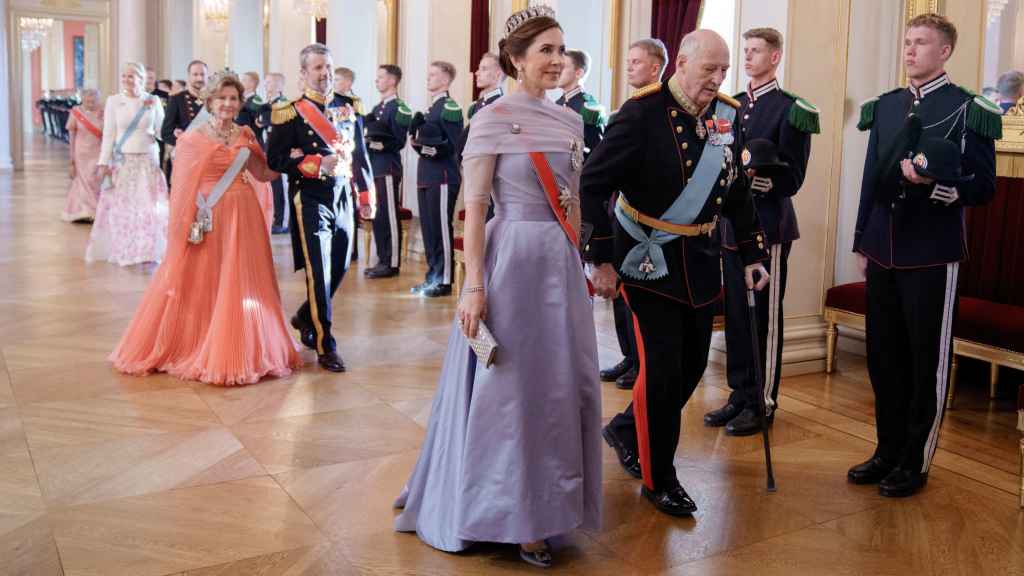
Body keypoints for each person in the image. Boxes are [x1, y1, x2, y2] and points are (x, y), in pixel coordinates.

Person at [395, 7, 601, 567]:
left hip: (559, 264)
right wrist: (472, 287)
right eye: (546, 52)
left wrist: (582, 259)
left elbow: (574, 199)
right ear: (516, 59)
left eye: (562, 50)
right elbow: (476, 206)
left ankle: (554, 506)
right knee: (512, 391)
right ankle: (512, 516)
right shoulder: (490, 118)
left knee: (559, 389)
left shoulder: (572, 121)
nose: (558, 61)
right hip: (510, 264)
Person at [582, 29, 770, 517]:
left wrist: (752, 253)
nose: (718, 78)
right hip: (649, 262)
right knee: (663, 373)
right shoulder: (640, 114)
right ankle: (658, 477)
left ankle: (626, 429)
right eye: (709, 68)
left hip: (702, 262)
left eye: (724, 70)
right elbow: (593, 182)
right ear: (681, 62)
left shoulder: (727, 116)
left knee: (688, 371)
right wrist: (600, 256)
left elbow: (737, 191)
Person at [848, 13, 999, 498]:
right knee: (883, 357)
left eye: (921, 43)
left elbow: (984, 186)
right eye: (908, 42)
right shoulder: (887, 106)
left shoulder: (968, 108)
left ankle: (915, 459)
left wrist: (944, 187)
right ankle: (886, 450)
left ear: (945, 51)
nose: (909, 51)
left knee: (923, 361)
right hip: (883, 246)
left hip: (932, 251)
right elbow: (871, 178)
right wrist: (861, 241)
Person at [110, 71, 299, 386]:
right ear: (210, 101)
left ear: (240, 103)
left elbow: (264, 173)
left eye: (233, 99)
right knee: (207, 280)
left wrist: (290, 157)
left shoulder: (246, 135)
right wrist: (184, 226)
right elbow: (182, 188)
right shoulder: (193, 140)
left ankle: (243, 346)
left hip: (245, 216)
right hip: (209, 216)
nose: (227, 104)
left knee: (241, 281)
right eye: (221, 98)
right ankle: (202, 341)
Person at [704, 27, 818, 437]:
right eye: (745, 50)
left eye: (755, 51)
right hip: (732, 224)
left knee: (763, 316)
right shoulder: (729, 105)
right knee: (735, 313)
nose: (748, 57)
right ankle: (739, 394)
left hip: (768, 224)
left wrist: (767, 182)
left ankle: (762, 400)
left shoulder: (791, 109)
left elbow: (795, 175)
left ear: (775, 57)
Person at [267, 43, 376, 373]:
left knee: (340, 267)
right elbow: (275, 160)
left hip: (343, 194)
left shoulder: (348, 106)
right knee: (319, 269)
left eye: (328, 67)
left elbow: (359, 156)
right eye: (317, 68)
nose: (325, 73)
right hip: (311, 198)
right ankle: (325, 342)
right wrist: (313, 162)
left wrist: (367, 198)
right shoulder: (290, 112)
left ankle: (304, 315)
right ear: (303, 74)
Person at [600, 37, 669, 391]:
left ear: (656, 67)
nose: (629, 67)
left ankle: (642, 361)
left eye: (636, 62)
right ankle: (629, 355)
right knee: (621, 292)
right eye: (627, 61)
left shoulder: (661, 110)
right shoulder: (628, 107)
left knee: (640, 297)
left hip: (647, 221)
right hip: (621, 213)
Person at [86, 62, 169, 266]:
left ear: (141, 78)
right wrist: (103, 162)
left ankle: (146, 249)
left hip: (148, 160)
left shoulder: (153, 101)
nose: (127, 80)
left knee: (148, 206)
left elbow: (161, 130)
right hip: (124, 161)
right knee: (126, 206)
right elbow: (109, 134)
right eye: (124, 76)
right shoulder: (114, 101)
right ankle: (125, 248)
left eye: (131, 76)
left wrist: (174, 143)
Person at [410, 61, 464, 297]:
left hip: (443, 175)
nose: (428, 79)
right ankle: (431, 276)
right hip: (427, 175)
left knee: (441, 230)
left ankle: (443, 280)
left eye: (433, 75)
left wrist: (426, 147)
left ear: (445, 80)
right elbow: (423, 144)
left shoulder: (449, 107)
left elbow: (453, 146)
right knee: (429, 230)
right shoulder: (432, 109)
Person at [363, 65, 412, 279]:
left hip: (388, 166)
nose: (377, 81)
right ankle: (382, 259)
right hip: (375, 167)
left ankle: (391, 263)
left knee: (389, 216)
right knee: (378, 216)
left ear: (392, 81)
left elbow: (398, 141)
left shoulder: (399, 108)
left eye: (381, 77)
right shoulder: (377, 108)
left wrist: (373, 144)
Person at [162, 60, 208, 184]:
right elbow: (166, 132)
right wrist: (181, 141)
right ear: (189, 76)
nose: (199, 78)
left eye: (203, 74)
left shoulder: (214, 100)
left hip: (210, 157)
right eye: (195, 74)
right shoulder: (177, 99)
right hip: (185, 158)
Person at [455, 52, 505, 165]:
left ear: (498, 74)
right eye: (479, 68)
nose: (477, 73)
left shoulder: (500, 105)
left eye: (484, 69)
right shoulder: (479, 104)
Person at [63, 88, 104, 223]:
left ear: (98, 99)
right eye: (88, 98)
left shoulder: (103, 113)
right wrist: (71, 159)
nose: (90, 100)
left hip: (98, 151)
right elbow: (72, 136)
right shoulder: (76, 112)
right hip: (81, 153)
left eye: (94, 98)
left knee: (95, 180)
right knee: (84, 181)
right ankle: (86, 212)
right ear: (83, 98)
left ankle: (94, 210)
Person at [556, 49, 604, 160]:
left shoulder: (589, 108)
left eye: (563, 67)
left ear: (579, 73)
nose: (558, 71)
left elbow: (597, 153)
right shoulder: (557, 104)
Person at [260, 72, 290, 234]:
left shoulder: (284, 105)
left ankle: (283, 221)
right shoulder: (267, 105)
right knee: (273, 186)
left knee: (281, 187)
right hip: (269, 149)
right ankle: (276, 218)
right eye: (266, 82)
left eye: (270, 82)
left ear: (279, 86)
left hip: (281, 152)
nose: (266, 85)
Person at [235, 71, 265, 144]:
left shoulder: (257, 100)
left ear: (252, 84)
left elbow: (252, 117)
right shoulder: (240, 99)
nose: (241, 82)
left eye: (244, 80)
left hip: (251, 142)